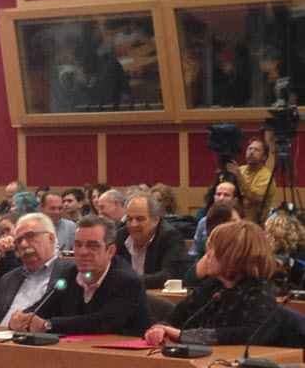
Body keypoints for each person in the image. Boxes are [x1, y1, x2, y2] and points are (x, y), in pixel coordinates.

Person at [145, 220, 277, 346]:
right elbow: (174, 319)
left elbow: (251, 333)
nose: (207, 255)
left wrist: (184, 335)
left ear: (232, 257)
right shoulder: (211, 286)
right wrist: (159, 329)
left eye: (212, 250)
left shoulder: (259, 292)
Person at [15, 215, 149, 335]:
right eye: (78, 245)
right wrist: (23, 318)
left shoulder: (127, 281)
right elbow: (44, 306)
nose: (83, 252)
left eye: (92, 246)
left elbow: (103, 322)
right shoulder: (70, 274)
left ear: (110, 251)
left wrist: (48, 325)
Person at [0, 213, 73, 326]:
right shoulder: (8, 279)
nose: (23, 244)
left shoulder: (70, 272)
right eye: (18, 241)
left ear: (51, 238)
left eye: (30, 236)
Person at [116, 192, 186, 289]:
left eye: (140, 219)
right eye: (129, 219)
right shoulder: (120, 236)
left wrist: (130, 281)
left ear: (156, 220)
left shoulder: (170, 237)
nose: (133, 224)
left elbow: (169, 276)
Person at [226, 137, 276, 223]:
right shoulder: (240, 169)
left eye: (256, 150)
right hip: (234, 217)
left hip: (256, 222)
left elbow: (254, 198)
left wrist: (239, 177)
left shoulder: (266, 176)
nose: (251, 152)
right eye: (249, 149)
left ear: (264, 157)